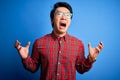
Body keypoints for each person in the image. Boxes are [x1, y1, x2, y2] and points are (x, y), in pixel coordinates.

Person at [14, 2, 104, 80]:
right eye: (59, 13)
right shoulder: (39, 43)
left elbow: (81, 69)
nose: (64, 17)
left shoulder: (78, 44)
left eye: (68, 15)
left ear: (70, 21)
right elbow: (33, 68)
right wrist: (25, 58)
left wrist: (90, 59)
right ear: (52, 19)